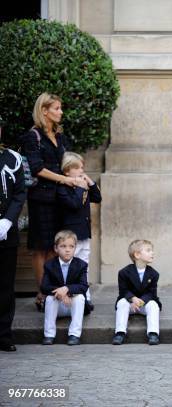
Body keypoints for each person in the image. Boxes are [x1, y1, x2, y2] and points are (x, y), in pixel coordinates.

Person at [20, 93, 88, 311]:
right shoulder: (32, 136)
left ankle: (54, 290)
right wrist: (66, 179)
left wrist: (78, 176)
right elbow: (37, 168)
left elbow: (68, 162)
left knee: (54, 246)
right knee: (41, 247)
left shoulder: (60, 136)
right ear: (44, 111)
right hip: (41, 199)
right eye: (56, 108)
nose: (61, 112)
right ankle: (43, 294)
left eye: (60, 108)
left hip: (61, 199)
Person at [57, 151, 102, 311]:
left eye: (83, 167)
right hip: (72, 237)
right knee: (71, 267)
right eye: (78, 168)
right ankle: (71, 297)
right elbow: (75, 205)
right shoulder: (62, 188)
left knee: (84, 267)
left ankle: (85, 298)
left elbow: (97, 197)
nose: (82, 171)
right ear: (67, 171)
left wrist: (89, 183)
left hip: (84, 233)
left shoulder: (83, 185)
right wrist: (82, 189)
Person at [0, 116, 26, 352]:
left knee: (6, 286)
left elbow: (19, 193)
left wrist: (7, 221)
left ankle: (4, 336)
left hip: (5, 234)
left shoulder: (12, 158)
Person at [40, 230, 88, 345]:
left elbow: (83, 286)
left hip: (73, 305)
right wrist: (61, 294)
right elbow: (44, 287)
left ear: (75, 248)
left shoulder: (81, 264)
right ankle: (49, 335)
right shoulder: (49, 265)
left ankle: (74, 335)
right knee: (49, 299)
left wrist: (66, 289)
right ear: (56, 248)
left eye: (71, 246)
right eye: (63, 246)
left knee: (80, 297)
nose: (67, 249)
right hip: (59, 306)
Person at [112, 239, 162, 346]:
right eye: (148, 250)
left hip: (144, 304)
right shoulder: (124, 273)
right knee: (121, 303)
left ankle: (153, 333)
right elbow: (123, 291)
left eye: (152, 250)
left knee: (154, 305)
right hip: (130, 303)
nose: (152, 253)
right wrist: (133, 299)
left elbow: (152, 293)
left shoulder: (154, 274)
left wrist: (141, 301)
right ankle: (120, 333)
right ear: (137, 255)